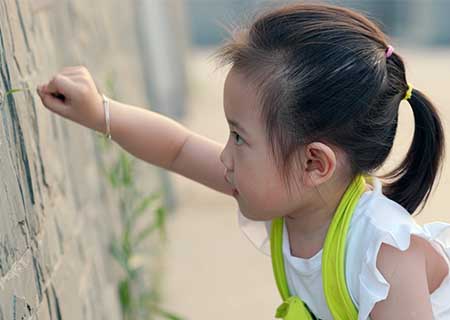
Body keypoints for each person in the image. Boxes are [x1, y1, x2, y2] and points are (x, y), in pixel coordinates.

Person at [36, 3, 449, 319]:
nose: (223, 156)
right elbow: (177, 148)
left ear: (313, 164)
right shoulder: (292, 191)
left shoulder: (385, 256)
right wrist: (99, 112)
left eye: (238, 137)